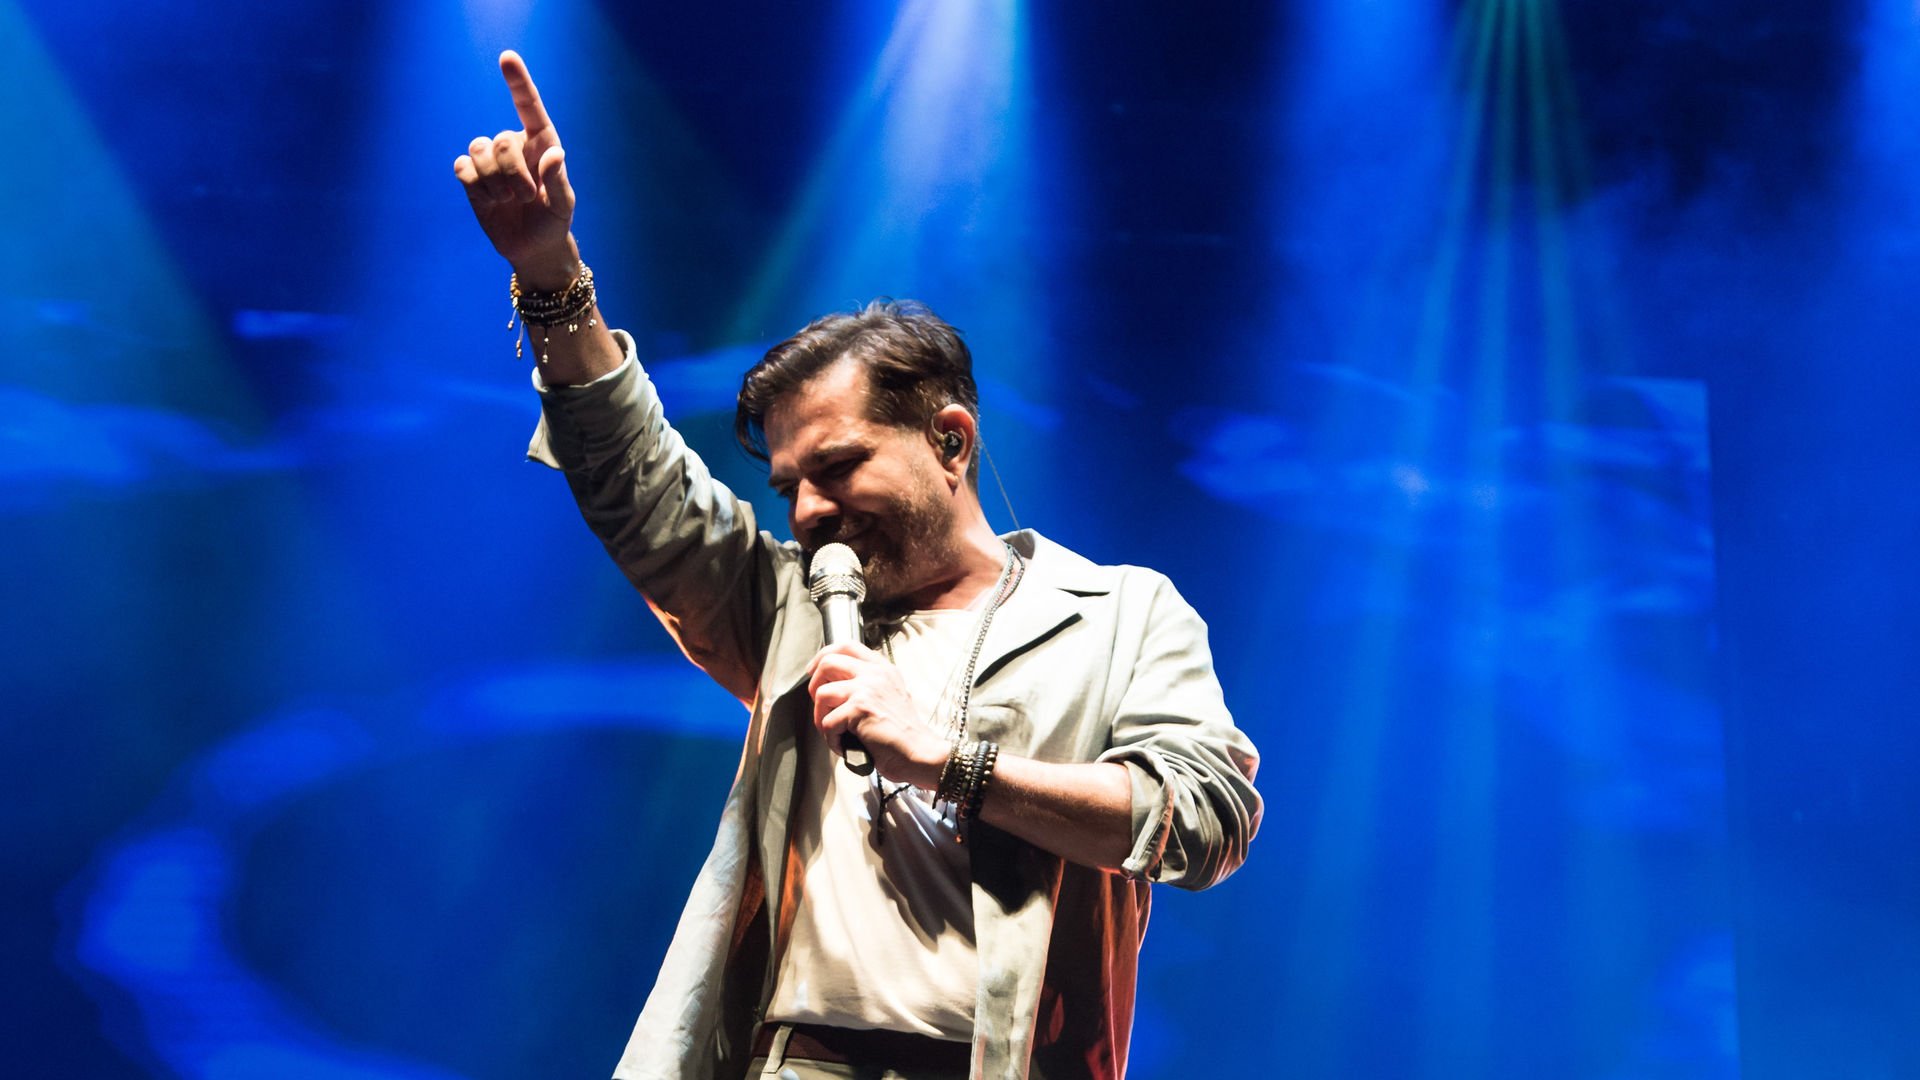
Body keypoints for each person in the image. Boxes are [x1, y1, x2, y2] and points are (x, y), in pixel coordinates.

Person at [455, 51, 1261, 1080]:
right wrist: (549, 273)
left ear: (951, 442)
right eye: (789, 485)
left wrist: (950, 761)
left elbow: (1205, 820)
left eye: (837, 469)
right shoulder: (789, 602)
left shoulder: (1122, 616)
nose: (808, 513)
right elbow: (634, 480)